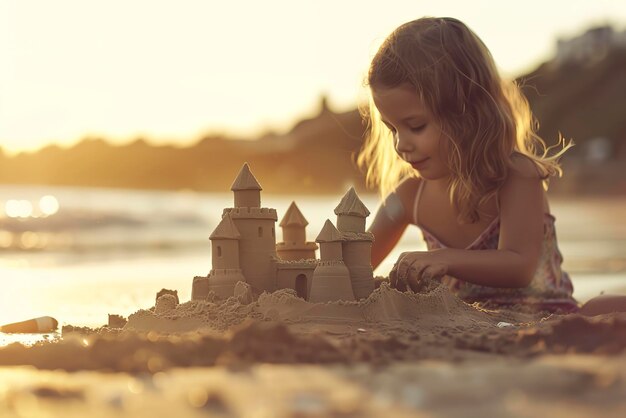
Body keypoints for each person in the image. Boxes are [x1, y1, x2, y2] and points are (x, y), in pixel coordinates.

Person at [359, 17, 625, 315]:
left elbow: (519, 265)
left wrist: (445, 259)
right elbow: (353, 265)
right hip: (470, 325)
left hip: (547, 317)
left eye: (416, 126)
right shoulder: (409, 197)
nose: (400, 144)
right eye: (393, 129)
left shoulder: (516, 176)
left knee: (600, 309)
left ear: (466, 113)